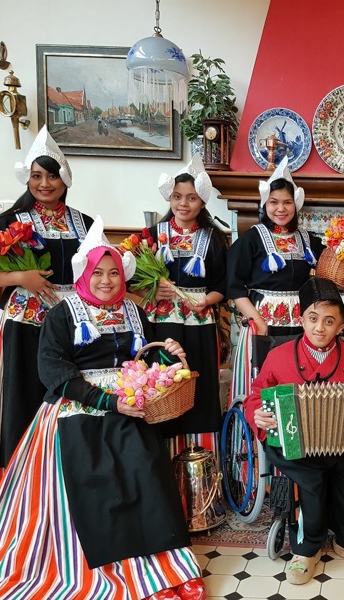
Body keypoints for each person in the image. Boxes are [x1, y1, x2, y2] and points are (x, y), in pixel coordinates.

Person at [0, 217, 205, 600]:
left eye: (114, 273)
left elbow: (141, 360)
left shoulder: (133, 312)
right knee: (96, 477)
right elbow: (54, 373)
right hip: (76, 408)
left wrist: (169, 357)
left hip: (128, 404)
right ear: (84, 274)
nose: (107, 281)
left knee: (148, 468)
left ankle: (163, 567)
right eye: (99, 273)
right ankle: (115, 570)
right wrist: (109, 402)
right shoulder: (63, 313)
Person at [245, 277, 344, 585]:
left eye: (329, 321)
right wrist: (257, 416)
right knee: (311, 480)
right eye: (313, 319)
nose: (320, 328)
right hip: (292, 444)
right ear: (300, 319)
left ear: (341, 325)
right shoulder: (278, 356)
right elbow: (255, 396)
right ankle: (306, 549)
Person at [0, 126, 93, 503]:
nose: (44, 183)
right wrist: (20, 276)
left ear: (64, 178)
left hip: (72, 328)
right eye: (36, 176)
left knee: (69, 401)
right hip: (24, 326)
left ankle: (68, 483)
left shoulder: (85, 223)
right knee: (23, 400)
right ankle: (21, 491)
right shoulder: (11, 222)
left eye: (51, 175)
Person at [149, 155, 227, 458]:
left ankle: (201, 458)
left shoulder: (215, 239)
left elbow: (223, 285)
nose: (184, 203)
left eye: (192, 198)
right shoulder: (153, 235)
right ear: (169, 197)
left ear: (202, 201)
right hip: (163, 322)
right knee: (163, 382)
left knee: (200, 382)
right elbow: (133, 284)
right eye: (178, 196)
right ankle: (162, 458)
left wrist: (205, 301)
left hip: (201, 321)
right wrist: (155, 290)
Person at [227, 155, 322, 337]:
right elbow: (234, 286)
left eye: (287, 202)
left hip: (300, 323)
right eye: (274, 202)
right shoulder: (251, 239)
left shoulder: (307, 240)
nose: (281, 208)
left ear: (296, 205)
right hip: (262, 322)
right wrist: (256, 320)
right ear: (265, 204)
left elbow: (328, 267)